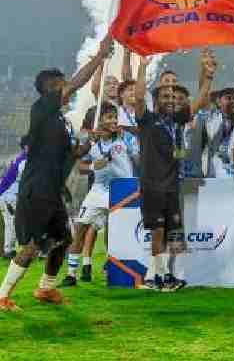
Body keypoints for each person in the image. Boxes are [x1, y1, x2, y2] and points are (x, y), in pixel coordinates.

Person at [0, 34, 112, 312]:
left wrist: (92, 139)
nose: (67, 86)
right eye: (62, 83)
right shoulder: (42, 107)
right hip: (37, 189)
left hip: (53, 191)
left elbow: (74, 155)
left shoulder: (61, 122)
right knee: (32, 246)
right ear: (50, 87)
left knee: (64, 240)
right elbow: (76, 84)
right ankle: (0, 296)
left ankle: (45, 289)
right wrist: (100, 56)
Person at [135, 53, 211, 292]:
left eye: (172, 97)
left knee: (169, 234)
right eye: (165, 96)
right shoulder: (147, 120)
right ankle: (162, 278)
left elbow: (199, 101)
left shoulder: (177, 120)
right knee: (158, 232)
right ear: (155, 99)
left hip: (172, 186)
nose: (170, 100)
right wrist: (142, 69)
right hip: (153, 185)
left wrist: (208, 76)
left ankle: (158, 277)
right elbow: (138, 97)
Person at [61, 103, 138, 287]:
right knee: (81, 228)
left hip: (123, 189)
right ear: (98, 120)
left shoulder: (125, 137)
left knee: (125, 232)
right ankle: (71, 274)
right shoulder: (91, 142)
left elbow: (139, 159)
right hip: (98, 190)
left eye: (114, 117)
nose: (113, 121)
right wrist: (95, 166)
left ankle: (125, 272)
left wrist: (130, 141)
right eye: (108, 117)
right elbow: (81, 167)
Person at [0, 138, 28, 259]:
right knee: (12, 221)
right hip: (7, 194)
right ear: (26, 147)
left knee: (13, 221)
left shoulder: (21, 158)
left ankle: (11, 249)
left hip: (5, 193)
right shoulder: (24, 161)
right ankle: (9, 250)